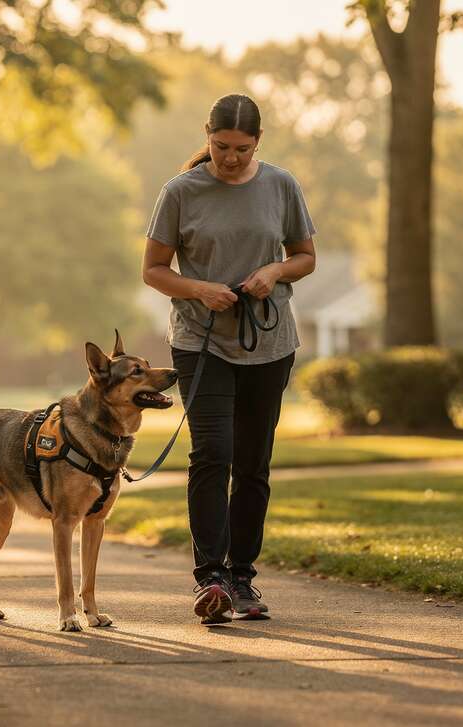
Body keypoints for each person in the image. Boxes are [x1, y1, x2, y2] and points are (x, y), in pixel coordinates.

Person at [142, 93, 317, 623]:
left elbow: (305, 257)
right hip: (201, 341)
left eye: (242, 148)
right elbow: (153, 270)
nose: (231, 158)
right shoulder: (180, 191)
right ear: (208, 136)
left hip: (269, 343)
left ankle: (242, 577)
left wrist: (274, 272)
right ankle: (210, 578)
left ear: (258, 142)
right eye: (221, 147)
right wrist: (199, 289)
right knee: (213, 453)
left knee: (253, 463)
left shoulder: (281, 185)